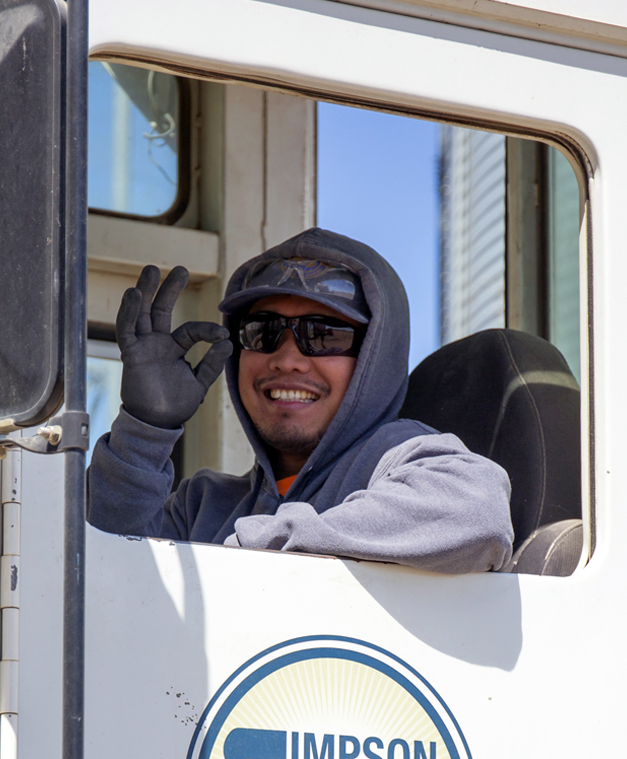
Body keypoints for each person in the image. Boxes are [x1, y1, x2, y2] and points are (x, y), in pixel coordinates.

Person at [86, 228, 513, 573]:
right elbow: (98, 573)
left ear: (373, 358)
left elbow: (478, 513)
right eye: (262, 332)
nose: (287, 359)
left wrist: (246, 551)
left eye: (323, 334)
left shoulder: (399, 459)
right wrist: (145, 432)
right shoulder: (202, 507)